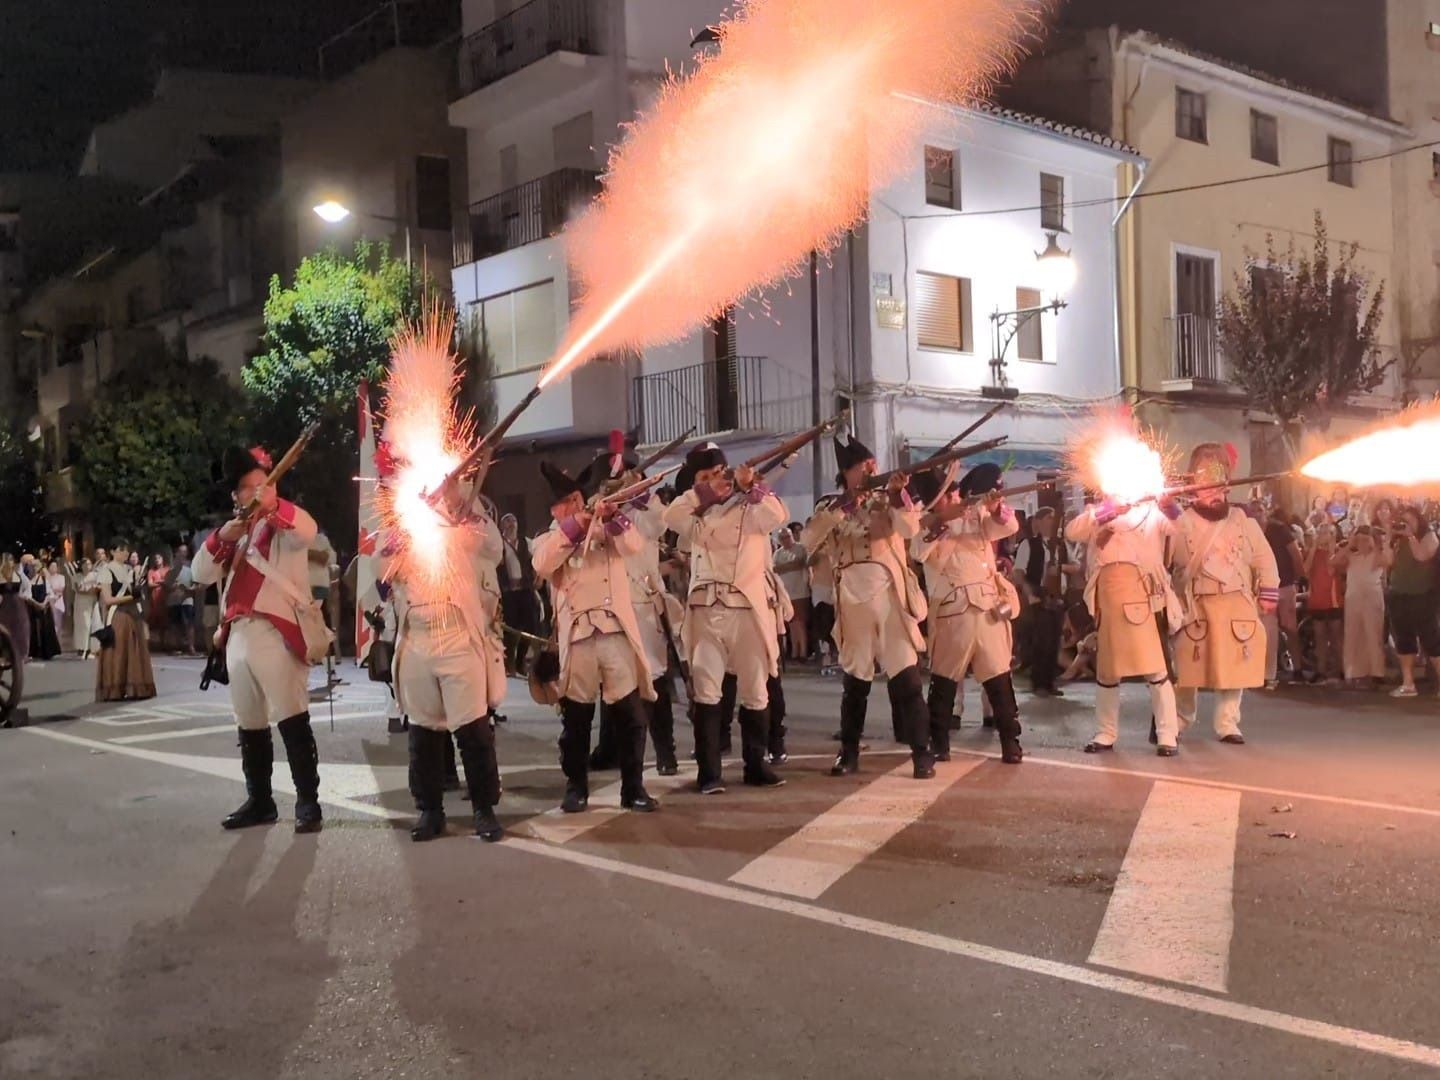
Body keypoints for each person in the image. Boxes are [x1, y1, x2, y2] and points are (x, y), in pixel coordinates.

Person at [192, 446, 322, 834]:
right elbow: (200, 572)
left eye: (264, 484)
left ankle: (308, 802)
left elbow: (308, 530)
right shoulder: (234, 533)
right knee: (249, 723)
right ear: (236, 495)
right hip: (238, 634)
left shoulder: (285, 522)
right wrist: (222, 536)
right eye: (249, 487)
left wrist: (274, 507)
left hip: (275, 630)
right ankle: (261, 801)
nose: (259, 491)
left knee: (292, 717)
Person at [375, 459, 505, 843]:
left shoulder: (461, 516)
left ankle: (484, 809)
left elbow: (493, 548)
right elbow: (381, 577)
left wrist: (460, 506)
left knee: (473, 731)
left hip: (456, 632)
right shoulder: (401, 525)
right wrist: (398, 540)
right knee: (423, 731)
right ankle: (429, 810)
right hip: (416, 635)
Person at [801, 434, 936, 779]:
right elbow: (809, 539)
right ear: (848, 472)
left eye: (873, 464)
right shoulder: (830, 506)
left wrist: (897, 495)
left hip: (890, 597)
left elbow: (910, 528)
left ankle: (922, 752)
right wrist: (845, 506)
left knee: (907, 679)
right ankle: (848, 753)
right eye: (864, 466)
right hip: (851, 599)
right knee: (855, 682)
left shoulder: (889, 498)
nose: (872, 469)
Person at [531, 459, 659, 814]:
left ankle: (633, 788)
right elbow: (543, 563)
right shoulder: (550, 538)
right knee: (576, 720)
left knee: (630, 716)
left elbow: (634, 545)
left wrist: (612, 516)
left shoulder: (608, 529)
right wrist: (578, 525)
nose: (571, 506)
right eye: (563, 503)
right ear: (555, 510)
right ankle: (576, 787)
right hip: (577, 636)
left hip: (615, 631)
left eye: (575, 499)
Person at [663, 441, 788, 792]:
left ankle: (756, 765)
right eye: (705, 477)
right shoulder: (694, 512)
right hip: (707, 609)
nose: (717, 480)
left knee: (756, 689)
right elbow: (671, 515)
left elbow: (776, 515)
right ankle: (709, 773)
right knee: (707, 690)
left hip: (747, 608)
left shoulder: (751, 505)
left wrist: (751, 486)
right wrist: (706, 491)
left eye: (719, 473)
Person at [1168, 443, 1280, 746]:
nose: (1213, 492)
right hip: (1197, 604)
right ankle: (1179, 720)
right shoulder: (1180, 521)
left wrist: (1268, 591)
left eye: (1218, 481)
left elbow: (1264, 559)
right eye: (1205, 481)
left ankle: (1228, 723)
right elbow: (1170, 558)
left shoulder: (1243, 520)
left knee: (1235, 666)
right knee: (1187, 668)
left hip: (1235, 601)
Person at [912, 465, 1024, 763]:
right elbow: (917, 551)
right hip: (951, 612)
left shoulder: (976, 514)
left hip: (987, 607)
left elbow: (1008, 527)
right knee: (944, 682)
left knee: (999, 678)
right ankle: (939, 742)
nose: (954, 497)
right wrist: (943, 520)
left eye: (953, 492)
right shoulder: (925, 524)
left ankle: (1011, 741)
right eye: (947, 495)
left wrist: (995, 507)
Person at [1066, 491, 1182, 756]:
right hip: (1108, 598)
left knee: (1155, 669)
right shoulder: (1098, 512)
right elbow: (1073, 531)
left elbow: (1180, 528)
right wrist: (1106, 512)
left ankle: (1167, 734)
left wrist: (1169, 505)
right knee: (1108, 671)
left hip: (1144, 594)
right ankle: (1105, 733)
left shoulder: (1152, 511)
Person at [1013, 507, 1079, 697]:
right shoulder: (1029, 544)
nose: (1052, 522)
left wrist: (1060, 568)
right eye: (1048, 518)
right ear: (1039, 522)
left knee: (1054, 642)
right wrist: (1029, 594)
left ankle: (1049, 682)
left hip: (1058, 598)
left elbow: (1076, 567)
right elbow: (1018, 572)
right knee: (1041, 642)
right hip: (1038, 597)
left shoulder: (1061, 545)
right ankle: (1039, 683)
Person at [1385, 504, 1440, 697]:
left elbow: (1422, 556)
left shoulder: (1429, 536)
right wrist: (1389, 537)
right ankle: (1408, 683)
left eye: (1410, 520)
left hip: (1422, 595)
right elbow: (1388, 562)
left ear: (1419, 520)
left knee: (1431, 640)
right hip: (1398, 594)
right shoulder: (1398, 540)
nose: (1405, 524)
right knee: (1404, 639)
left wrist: (1410, 536)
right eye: (1403, 521)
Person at [96, 541, 156, 700]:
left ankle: (136, 688)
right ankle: (115, 689)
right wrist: (131, 597)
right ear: (112, 552)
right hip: (118, 616)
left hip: (133, 615)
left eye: (126, 550)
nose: (125, 553)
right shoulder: (106, 570)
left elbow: (137, 594)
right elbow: (108, 599)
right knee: (118, 653)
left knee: (135, 652)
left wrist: (138, 593)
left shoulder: (129, 570)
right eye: (121, 550)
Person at [1333, 526, 1389, 687]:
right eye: (1359, 540)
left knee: (1373, 634)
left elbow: (1386, 561)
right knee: (1352, 634)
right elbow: (1334, 561)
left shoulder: (1376, 556)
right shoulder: (1352, 557)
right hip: (1353, 598)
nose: (1362, 543)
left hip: (1372, 598)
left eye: (1365, 539)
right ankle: (1352, 672)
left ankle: (1377, 672)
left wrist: (1376, 544)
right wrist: (1350, 544)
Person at [1262, 505, 1303, 688]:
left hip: (1284, 584)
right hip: (1265, 586)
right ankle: (1267, 673)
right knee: (1268, 631)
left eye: (1260, 510)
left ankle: (1298, 668)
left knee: (1289, 627)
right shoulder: (1251, 531)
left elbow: (1295, 554)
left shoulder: (1279, 529)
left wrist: (1298, 578)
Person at [497, 513, 541, 676]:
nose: (511, 524)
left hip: (525, 590)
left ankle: (520, 662)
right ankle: (509, 664)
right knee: (510, 629)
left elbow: (538, 559)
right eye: (507, 521)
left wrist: (538, 578)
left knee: (531, 626)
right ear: (502, 526)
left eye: (513, 520)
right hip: (508, 593)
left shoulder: (525, 542)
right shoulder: (499, 544)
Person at [1303, 523, 1343, 685]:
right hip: (1316, 600)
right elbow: (1305, 570)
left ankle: (1340, 669)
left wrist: (1331, 548)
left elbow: (1331, 570)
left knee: (1336, 637)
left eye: (1327, 532)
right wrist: (1314, 547)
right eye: (1321, 532)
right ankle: (1321, 670)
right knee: (1319, 637)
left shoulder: (1337, 552)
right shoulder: (1312, 552)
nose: (1323, 535)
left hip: (1333, 601)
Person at [773, 524, 811, 661]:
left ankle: (803, 652)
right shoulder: (778, 553)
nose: (786, 539)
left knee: (800, 622)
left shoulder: (800, 548)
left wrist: (784, 567)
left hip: (800, 591)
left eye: (788, 536)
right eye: (783, 538)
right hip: (786, 593)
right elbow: (774, 569)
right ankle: (795, 652)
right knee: (792, 623)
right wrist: (788, 566)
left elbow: (800, 563)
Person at [166, 544, 199, 656]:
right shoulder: (170, 571)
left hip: (187, 600)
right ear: (176, 553)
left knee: (189, 624)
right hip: (173, 601)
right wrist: (172, 587)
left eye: (185, 551)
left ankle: (191, 647)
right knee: (175, 625)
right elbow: (166, 587)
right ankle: (176, 646)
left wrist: (188, 589)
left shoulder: (191, 569)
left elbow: (196, 585)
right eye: (180, 551)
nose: (182, 554)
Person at [0, 553, 30, 661]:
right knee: (6, 630)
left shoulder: (18, 573)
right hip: (5, 605)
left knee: (20, 629)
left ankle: (20, 654)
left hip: (18, 605)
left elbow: (27, 586)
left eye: (11, 560)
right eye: (7, 560)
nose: (9, 562)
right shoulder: (0, 575)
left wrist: (24, 596)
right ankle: (6, 654)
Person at [72, 557, 102, 657]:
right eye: (85, 564)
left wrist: (95, 589)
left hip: (93, 601)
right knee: (84, 624)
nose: (87, 566)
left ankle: (93, 647)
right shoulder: (77, 577)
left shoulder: (95, 575)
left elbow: (100, 586)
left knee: (94, 624)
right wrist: (88, 591)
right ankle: (82, 647)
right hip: (81, 602)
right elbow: (78, 589)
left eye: (89, 564)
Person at [145, 553, 169, 643]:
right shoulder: (151, 571)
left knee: (165, 621)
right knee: (153, 620)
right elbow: (150, 584)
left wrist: (158, 582)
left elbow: (169, 582)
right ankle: (152, 642)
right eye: (155, 558)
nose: (157, 560)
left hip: (165, 598)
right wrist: (161, 582)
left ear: (162, 559)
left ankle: (163, 642)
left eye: (159, 558)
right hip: (154, 598)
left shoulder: (167, 569)